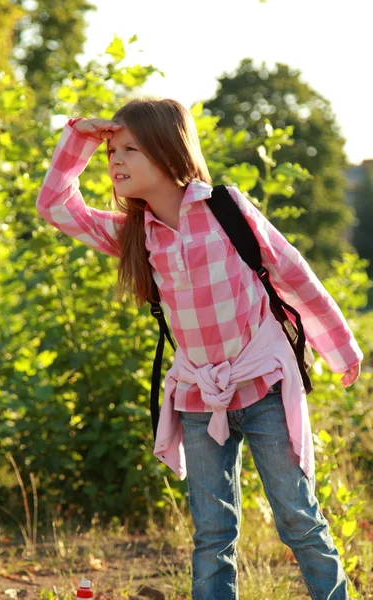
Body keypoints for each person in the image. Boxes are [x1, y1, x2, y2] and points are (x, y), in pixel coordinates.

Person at [36, 97, 362, 600]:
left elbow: (294, 274)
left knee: (298, 518)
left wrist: (340, 348)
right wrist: (82, 136)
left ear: (170, 153)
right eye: (111, 151)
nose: (115, 160)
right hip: (197, 397)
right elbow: (55, 205)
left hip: (263, 389)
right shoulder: (134, 236)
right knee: (212, 535)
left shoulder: (226, 210)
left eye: (129, 149)